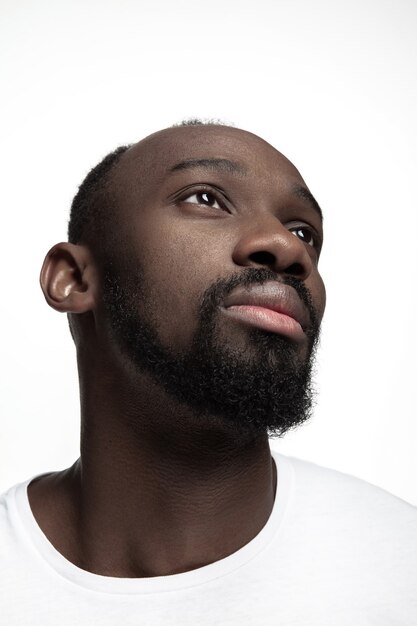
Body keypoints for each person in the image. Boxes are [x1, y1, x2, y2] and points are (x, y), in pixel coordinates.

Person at [1, 121, 416, 625]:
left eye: (304, 232)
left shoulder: (400, 569)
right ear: (75, 279)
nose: (287, 248)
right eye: (206, 198)